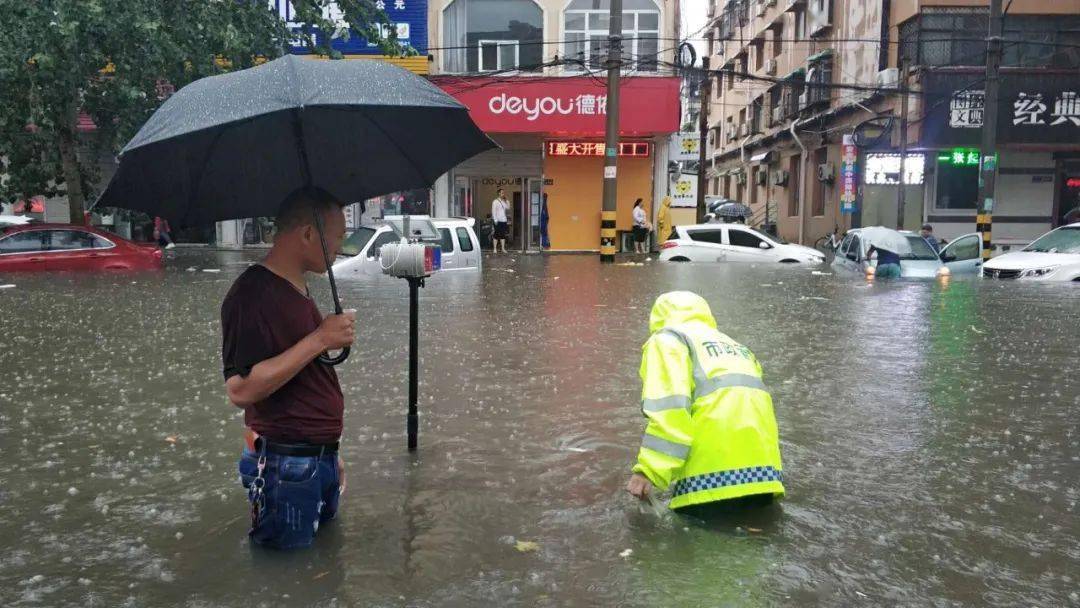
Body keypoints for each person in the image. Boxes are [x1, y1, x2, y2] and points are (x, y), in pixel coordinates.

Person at [221, 187, 356, 550]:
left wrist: (328, 451)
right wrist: (320, 339)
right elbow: (240, 389)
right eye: (338, 237)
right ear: (309, 234)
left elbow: (304, 381)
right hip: (286, 467)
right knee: (284, 571)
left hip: (314, 458)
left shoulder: (296, 288)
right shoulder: (251, 295)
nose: (340, 248)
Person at [626, 291, 785, 517]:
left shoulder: (668, 340)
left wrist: (648, 472)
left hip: (710, 482)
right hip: (765, 478)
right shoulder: (738, 348)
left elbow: (671, 413)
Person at [491, 188, 511, 254]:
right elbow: (493, 211)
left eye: (503, 193)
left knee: (503, 235)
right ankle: (494, 249)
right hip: (498, 221)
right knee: (496, 235)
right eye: (502, 193)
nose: (503, 194)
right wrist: (495, 220)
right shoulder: (495, 201)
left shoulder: (504, 201)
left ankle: (503, 248)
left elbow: (508, 207)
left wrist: (506, 200)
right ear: (499, 193)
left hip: (504, 220)